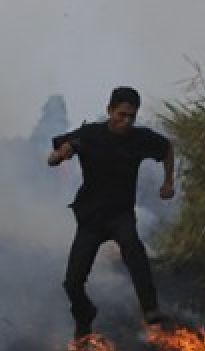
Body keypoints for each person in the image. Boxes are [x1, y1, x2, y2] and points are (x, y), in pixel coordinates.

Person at [48, 86, 175, 338]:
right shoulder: (91, 133)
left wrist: (168, 182)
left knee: (134, 249)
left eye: (131, 116)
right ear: (109, 111)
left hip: (120, 215)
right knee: (72, 282)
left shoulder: (141, 138)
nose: (125, 121)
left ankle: (150, 309)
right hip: (91, 218)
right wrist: (59, 156)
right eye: (121, 115)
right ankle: (84, 315)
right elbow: (62, 149)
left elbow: (167, 148)